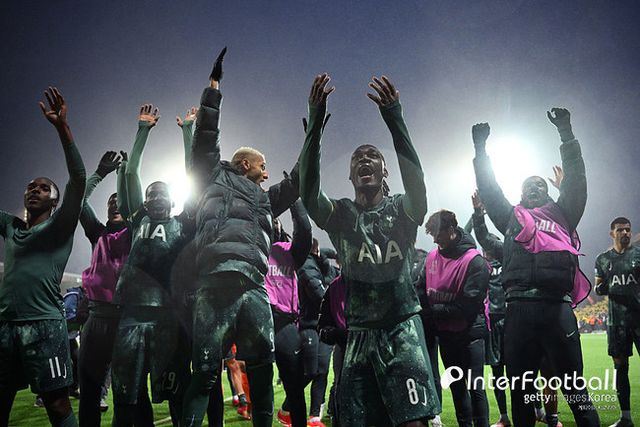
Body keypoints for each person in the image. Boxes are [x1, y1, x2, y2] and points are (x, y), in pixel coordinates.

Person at [299, 73, 440, 426]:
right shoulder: (341, 215)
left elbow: (417, 180)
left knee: (413, 422)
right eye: (357, 158)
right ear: (350, 176)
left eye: (373, 156)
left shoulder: (404, 210)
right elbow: (308, 190)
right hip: (359, 333)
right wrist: (315, 122)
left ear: (384, 171)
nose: (364, 160)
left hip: (402, 328)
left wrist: (394, 117)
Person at [182, 48, 300, 427]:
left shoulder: (266, 199)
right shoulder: (212, 175)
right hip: (214, 284)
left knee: (262, 374)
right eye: (263, 166)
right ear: (246, 164)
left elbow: (300, 183)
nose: (267, 174)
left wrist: (313, 134)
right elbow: (206, 135)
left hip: (253, 288)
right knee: (204, 374)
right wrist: (214, 86)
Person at [471, 111, 599, 427]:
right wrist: (480, 151)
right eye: (528, 185)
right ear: (520, 194)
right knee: (521, 393)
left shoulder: (564, 212)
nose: (534, 187)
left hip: (557, 308)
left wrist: (566, 132)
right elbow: (490, 190)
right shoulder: (511, 218)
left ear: (550, 192)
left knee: (575, 390)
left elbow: (577, 180)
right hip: (518, 311)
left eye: (540, 184)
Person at [0, 87, 85, 427]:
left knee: (57, 405)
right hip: (5, 326)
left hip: (45, 326)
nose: (34, 190)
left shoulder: (59, 226)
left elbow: (78, 179)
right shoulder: (11, 227)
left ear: (54, 201)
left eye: (43, 188)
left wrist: (62, 128)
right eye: (30, 187)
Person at [110, 104, 193, 426]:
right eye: (150, 195)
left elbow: (196, 174)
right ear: (143, 202)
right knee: (126, 394)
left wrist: (188, 132)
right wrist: (142, 130)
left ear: (173, 200)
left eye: (162, 194)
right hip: (131, 314)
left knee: (175, 392)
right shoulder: (138, 220)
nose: (156, 198)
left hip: (169, 318)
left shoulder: (183, 223)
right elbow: (131, 174)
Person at [77, 150, 155, 426]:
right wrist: (99, 174)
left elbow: (134, 201)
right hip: (96, 321)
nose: (114, 205)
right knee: (88, 393)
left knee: (137, 393)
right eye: (110, 202)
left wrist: (126, 174)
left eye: (118, 201)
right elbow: (77, 200)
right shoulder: (97, 232)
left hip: (128, 321)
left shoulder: (138, 233)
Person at [418, 210, 490, 427]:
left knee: (475, 387)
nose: (434, 240)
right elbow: (420, 289)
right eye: (432, 235)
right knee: (457, 388)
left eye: (437, 234)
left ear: (451, 230)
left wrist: (432, 312)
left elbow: (468, 306)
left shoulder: (474, 261)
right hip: (446, 335)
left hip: (470, 334)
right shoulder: (432, 257)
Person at [267, 201, 312, 427]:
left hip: (284, 323)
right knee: (260, 388)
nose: (272, 222)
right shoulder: (250, 248)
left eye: (275, 219)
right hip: (257, 322)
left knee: (294, 388)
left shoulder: (288, 250)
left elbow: (304, 230)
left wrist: (293, 199)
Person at [595, 217, 640, 427]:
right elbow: (598, 287)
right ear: (612, 233)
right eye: (620, 230)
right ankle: (626, 418)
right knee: (620, 368)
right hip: (616, 323)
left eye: (628, 230)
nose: (625, 233)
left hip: (638, 318)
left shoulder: (638, 256)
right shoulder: (603, 259)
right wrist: (602, 287)